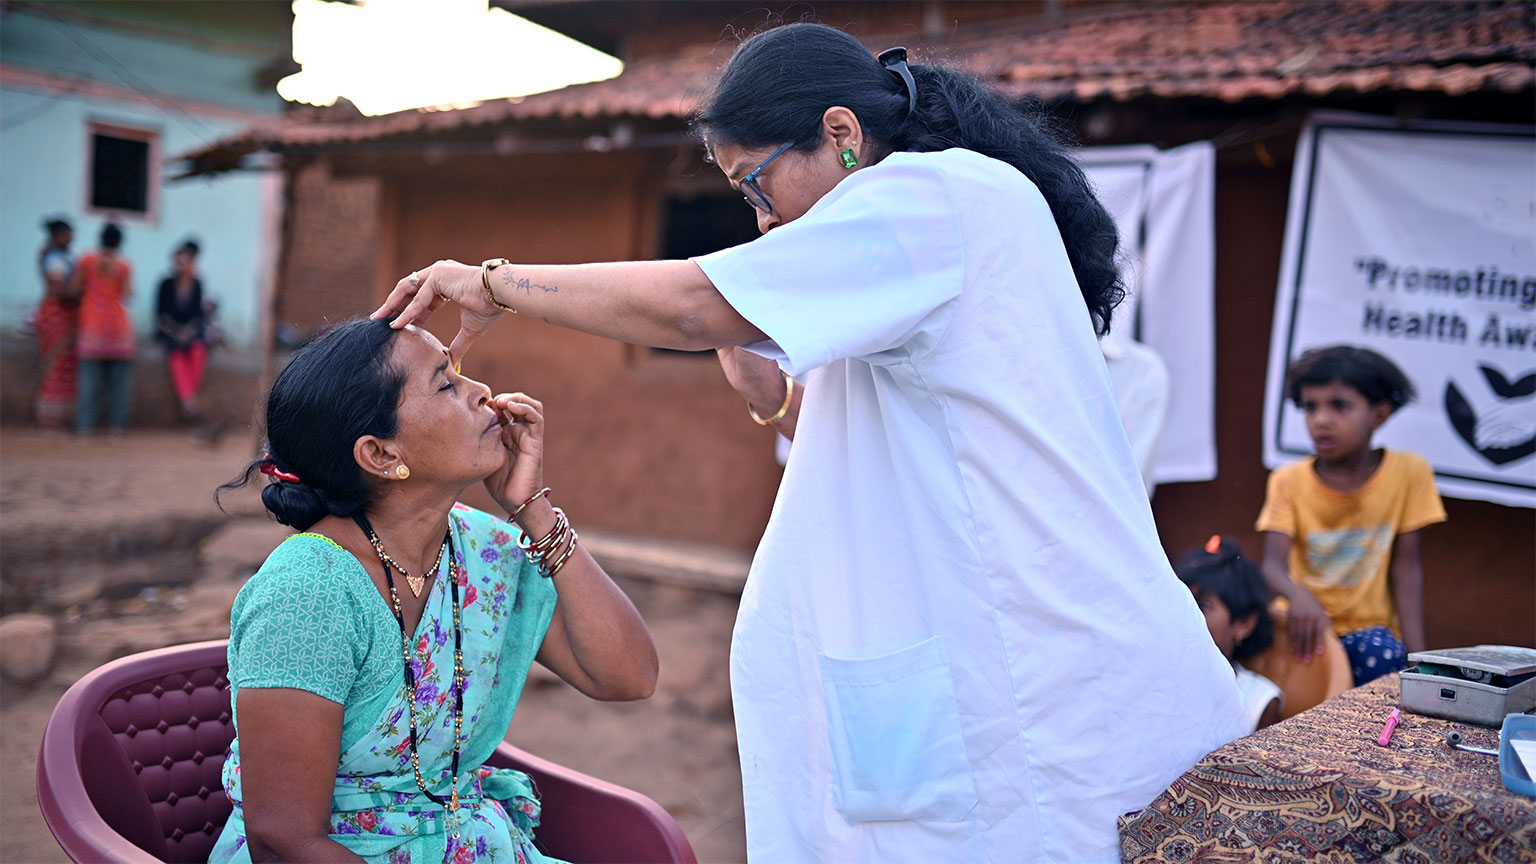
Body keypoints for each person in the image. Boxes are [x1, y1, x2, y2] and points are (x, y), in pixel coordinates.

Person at [375, 23, 1244, 862]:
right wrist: (778, 403)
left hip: (1034, 689)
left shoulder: (932, 197)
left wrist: (492, 282)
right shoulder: (932, 223)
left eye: (757, 186)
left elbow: (688, 305)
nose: (759, 221)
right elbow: (917, 443)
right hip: (1000, 683)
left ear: (841, 134)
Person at [210, 318, 657, 862]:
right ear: (381, 454)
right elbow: (284, 838)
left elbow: (627, 676)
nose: (482, 393)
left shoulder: (482, 550)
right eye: (445, 383)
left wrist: (533, 510)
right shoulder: (309, 593)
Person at [1256, 345, 1446, 686]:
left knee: (1383, 656)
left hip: (1370, 637)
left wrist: (1419, 662)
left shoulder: (1409, 473)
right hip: (1303, 630)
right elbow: (1272, 567)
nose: (1321, 420)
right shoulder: (1288, 481)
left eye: (1339, 405)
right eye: (1310, 407)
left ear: (1380, 414)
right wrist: (1299, 597)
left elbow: (1406, 570)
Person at [1174, 535, 1283, 732]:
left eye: (1202, 605)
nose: (1188, 615)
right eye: (1182, 603)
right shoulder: (1159, 678)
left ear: (1243, 623)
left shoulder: (1257, 700)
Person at [73, 222, 135, 435]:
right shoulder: (124, 265)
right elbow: (127, 294)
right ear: (119, 242)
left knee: (89, 381)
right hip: (118, 328)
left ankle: (84, 427)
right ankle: (116, 427)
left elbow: (75, 288)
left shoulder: (87, 260)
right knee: (119, 384)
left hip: (92, 325)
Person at [156, 239, 210, 419]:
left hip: (191, 331)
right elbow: (161, 314)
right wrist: (175, 331)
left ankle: (188, 394)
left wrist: (188, 331)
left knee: (198, 349)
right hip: (171, 331)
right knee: (176, 352)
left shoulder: (197, 285)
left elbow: (198, 316)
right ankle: (188, 399)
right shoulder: (165, 285)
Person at [34, 217, 78, 429]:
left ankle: (60, 418)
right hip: (57, 315)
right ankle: (52, 419)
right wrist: (83, 294)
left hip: (62, 315)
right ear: (58, 235)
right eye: (68, 234)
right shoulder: (55, 259)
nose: (71, 238)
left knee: (64, 364)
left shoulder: (59, 256)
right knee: (57, 364)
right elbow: (60, 291)